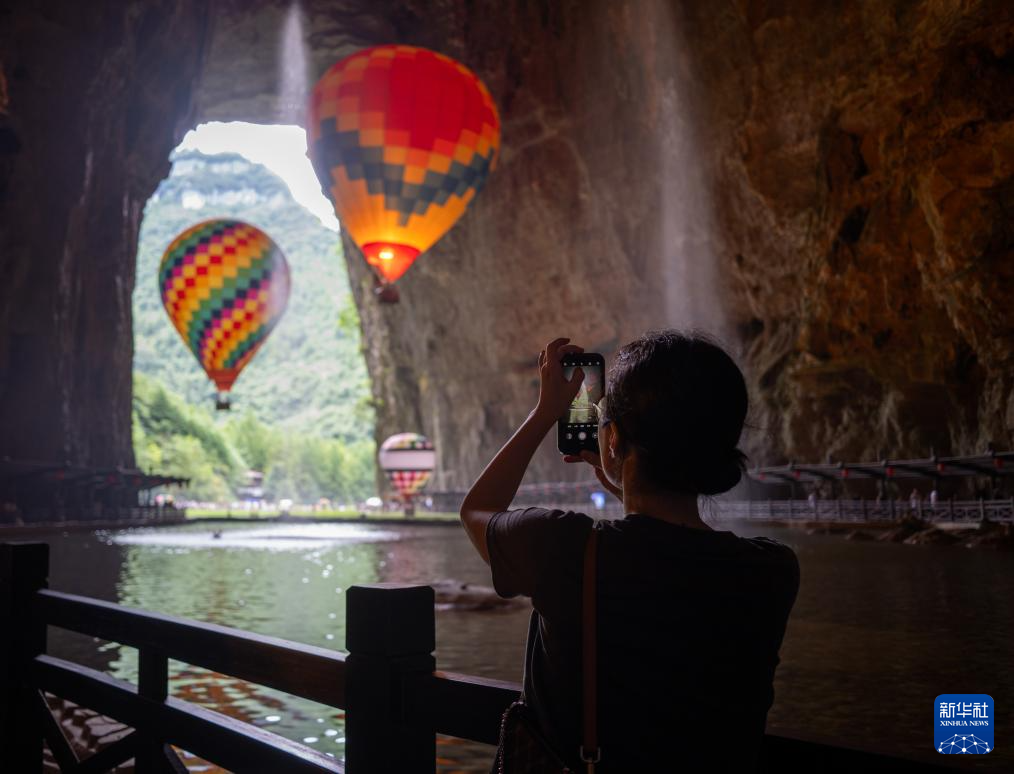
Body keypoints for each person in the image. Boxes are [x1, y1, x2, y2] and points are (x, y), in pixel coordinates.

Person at [460, 332, 799, 772]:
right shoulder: (771, 571)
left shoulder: (563, 548)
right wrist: (626, 482)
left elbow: (477, 511)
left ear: (614, 439)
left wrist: (546, 411)